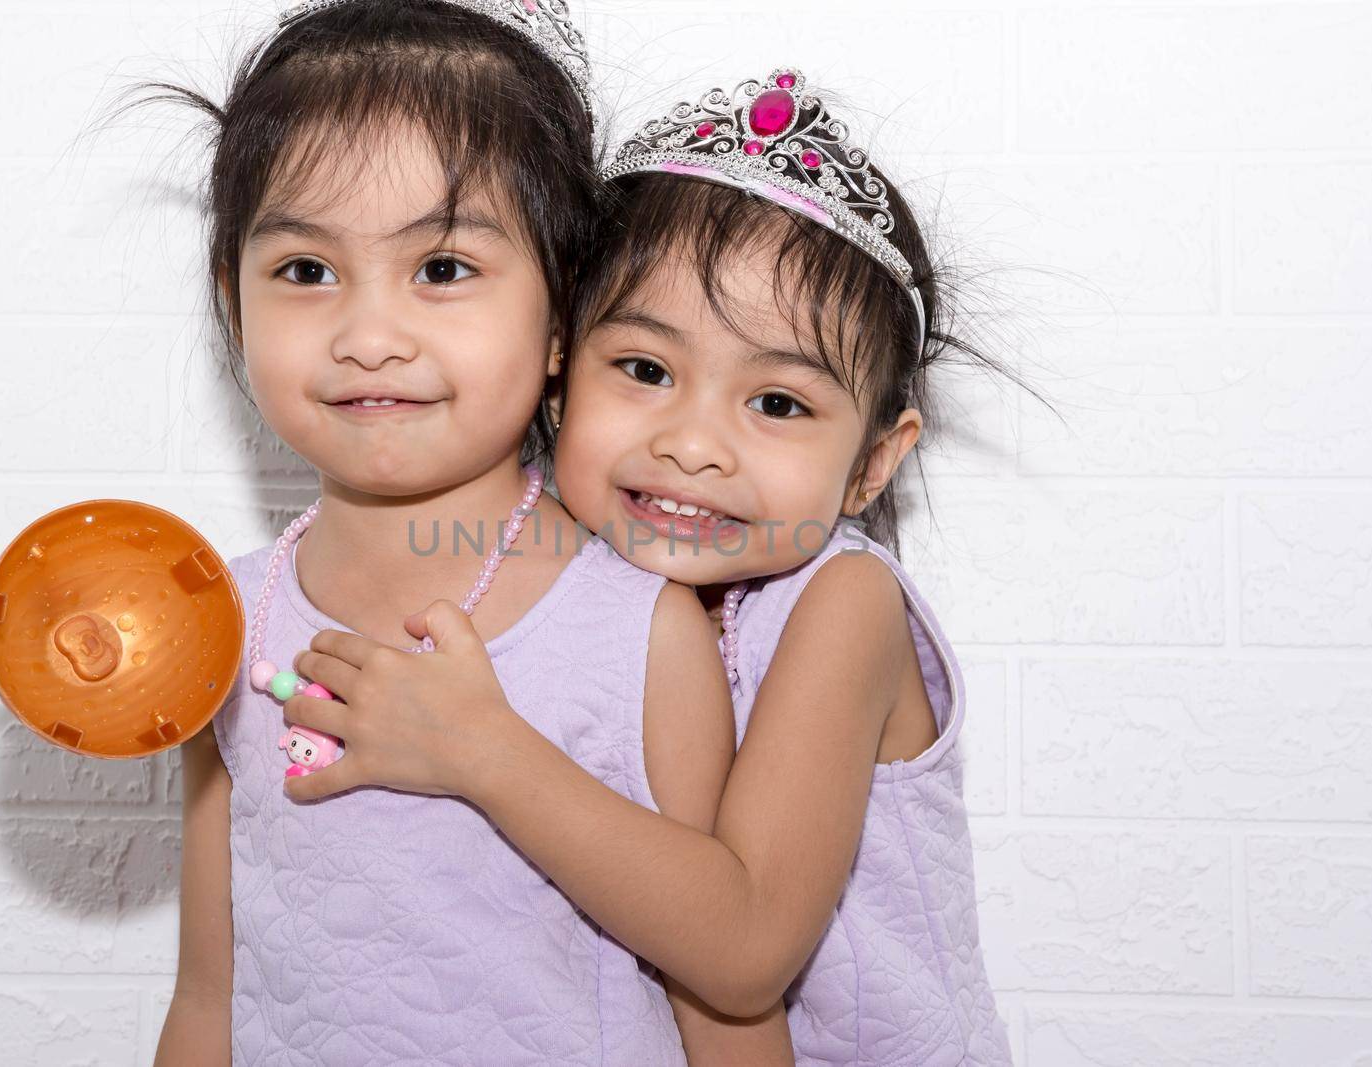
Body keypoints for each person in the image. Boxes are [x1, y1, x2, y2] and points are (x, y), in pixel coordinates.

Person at [283, 68, 1016, 1065]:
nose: (692, 442)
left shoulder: (843, 600)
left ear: (875, 463)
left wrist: (482, 749)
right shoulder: (573, 583)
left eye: (778, 404)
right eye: (644, 370)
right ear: (558, 365)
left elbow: (745, 945)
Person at [145, 7, 794, 1064]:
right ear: (233, 302)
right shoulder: (225, 615)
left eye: (442, 269)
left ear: (559, 319)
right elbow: (209, 995)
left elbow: (728, 1007)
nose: (367, 336)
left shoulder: (635, 628)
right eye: (305, 270)